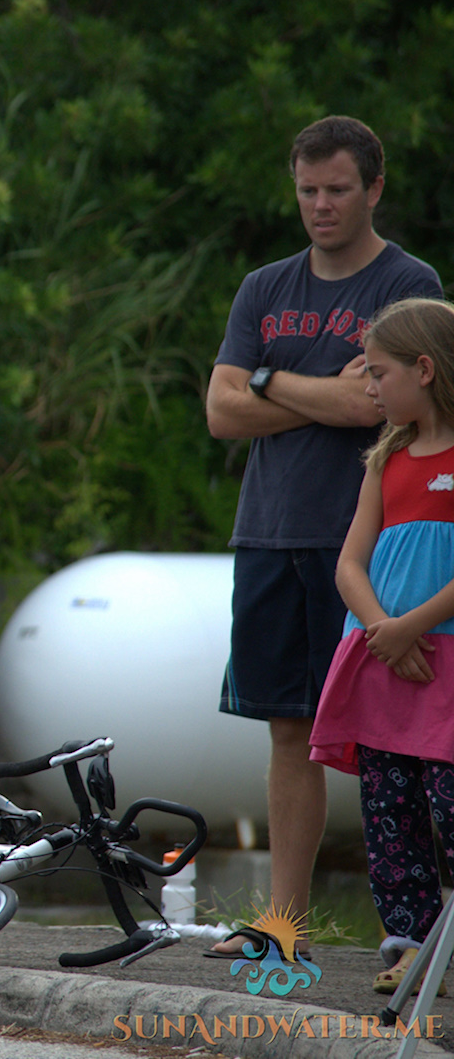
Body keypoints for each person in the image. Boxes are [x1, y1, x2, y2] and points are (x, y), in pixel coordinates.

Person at [205, 115, 442, 956]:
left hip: (373, 547)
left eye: (338, 189)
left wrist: (266, 380)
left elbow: (369, 405)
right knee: (285, 729)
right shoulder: (263, 288)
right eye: (308, 190)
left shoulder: (408, 285)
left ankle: (412, 933)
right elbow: (219, 410)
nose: (321, 205)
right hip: (268, 532)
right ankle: (283, 925)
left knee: (397, 740)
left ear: (373, 188)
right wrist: (306, 388)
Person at [309, 298, 454, 993]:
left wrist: (412, 626)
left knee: (449, 806)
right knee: (390, 812)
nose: (370, 388)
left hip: (437, 655)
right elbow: (350, 563)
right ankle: (410, 945)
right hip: (385, 660)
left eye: (379, 373)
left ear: (424, 369)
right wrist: (383, 631)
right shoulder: (387, 454)